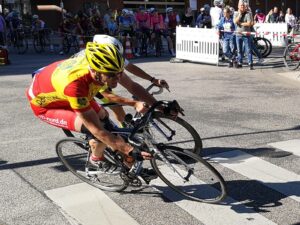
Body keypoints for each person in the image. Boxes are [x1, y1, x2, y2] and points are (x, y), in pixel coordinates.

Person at [26, 42, 156, 176]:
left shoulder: (101, 69)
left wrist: (146, 104)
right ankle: (96, 159)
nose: (117, 78)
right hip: (46, 105)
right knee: (98, 131)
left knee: (104, 117)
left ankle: (127, 166)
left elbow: (109, 95)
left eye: (120, 73)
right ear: (94, 70)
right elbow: (97, 130)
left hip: (64, 90)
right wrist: (128, 149)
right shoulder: (75, 86)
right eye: (111, 74)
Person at [71, 34, 169, 125]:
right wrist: (135, 103)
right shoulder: (93, 65)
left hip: (101, 73)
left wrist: (153, 80)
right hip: (80, 85)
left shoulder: (112, 56)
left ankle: (124, 131)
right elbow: (108, 96)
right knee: (114, 109)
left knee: (121, 100)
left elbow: (131, 76)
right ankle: (119, 136)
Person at [234, 1, 254, 70]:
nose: (242, 6)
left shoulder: (248, 13)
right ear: (238, 6)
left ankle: (250, 63)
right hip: (238, 34)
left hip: (246, 34)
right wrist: (239, 15)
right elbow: (235, 21)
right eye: (241, 5)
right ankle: (240, 63)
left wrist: (240, 23)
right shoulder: (236, 13)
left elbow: (249, 23)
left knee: (248, 50)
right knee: (239, 50)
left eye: (243, 5)